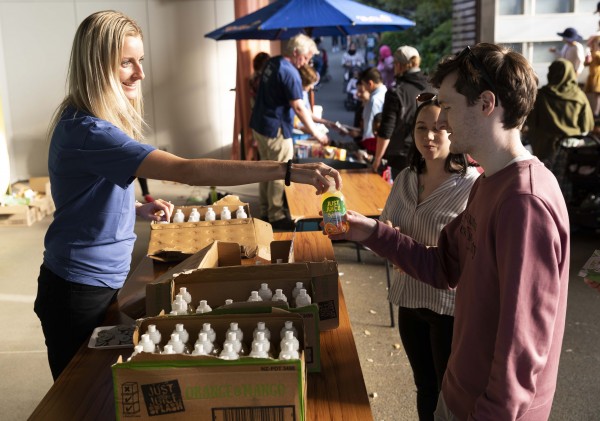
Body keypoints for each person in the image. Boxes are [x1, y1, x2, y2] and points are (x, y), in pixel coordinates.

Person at [34, 10, 342, 382]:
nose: (140, 74)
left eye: (140, 61)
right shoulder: (91, 131)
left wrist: (132, 207)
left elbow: (81, 194)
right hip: (78, 290)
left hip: (95, 282)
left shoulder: (82, 119)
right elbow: (187, 170)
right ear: (96, 66)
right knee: (80, 396)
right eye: (126, 63)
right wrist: (288, 170)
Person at [328, 43, 570, 420]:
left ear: (486, 104)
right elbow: (442, 266)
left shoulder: (525, 203)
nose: (441, 121)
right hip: (458, 392)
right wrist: (370, 232)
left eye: (450, 106)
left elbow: (523, 351)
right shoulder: (489, 183)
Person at [381, 94, 479, 421]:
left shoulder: (471, 186)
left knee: (448, 392)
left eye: (439, 128)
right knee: (424, 385)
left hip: (448, 307)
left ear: (454, 131)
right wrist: (388, 231)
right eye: (421, 128)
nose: (429, 136)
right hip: (409, 298)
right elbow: (386, 224)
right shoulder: (406, 177)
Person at [250, 34, 329, 229]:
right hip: (274, 128)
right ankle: (275, 215)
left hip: (260, 125)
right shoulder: (290, 72)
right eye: (306, 57)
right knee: (280, 169)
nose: (307, 62)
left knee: (264, 169)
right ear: (296, 53)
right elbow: (300, 108)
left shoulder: (272, 62)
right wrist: (317, 134)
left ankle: (265, 208)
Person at [374, 46, 435, 177]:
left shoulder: (396, 92)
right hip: (430, 153)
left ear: (400, 65)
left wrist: (377, 159)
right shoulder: (434, 88)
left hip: (401, 157)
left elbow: (386, 130)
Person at [525, 59, 593, 164]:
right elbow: (586, 127)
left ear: (552, 73)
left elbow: (529, 122)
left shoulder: (540, 96)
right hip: (571, 150)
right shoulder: (579, 97)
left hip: (543, 150)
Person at [358, 67, 387, 157]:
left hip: (372, 145)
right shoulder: (386, 93)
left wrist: (365, 148)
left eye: (364, 85)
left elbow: (369, 126)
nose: (365, 89)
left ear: (370, 83)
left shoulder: (374, 100)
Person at [584, 37, 600, 116]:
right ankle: (593, 112)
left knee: (597, 95)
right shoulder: (590, 53)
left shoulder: (597, 54)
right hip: (592, 76)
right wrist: (587, 60)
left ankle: (596, 112)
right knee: (592, 95)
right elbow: (586, 64)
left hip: (598, 76)